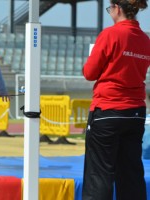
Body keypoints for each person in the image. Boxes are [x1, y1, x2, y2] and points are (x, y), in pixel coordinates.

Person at [82, 0, 150, 199]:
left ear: (117, 8)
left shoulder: (110, 34)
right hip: (135, 111)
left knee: (99, 175)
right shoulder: (145, 40)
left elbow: (89, 72)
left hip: (108, 109)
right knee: (131, 173)